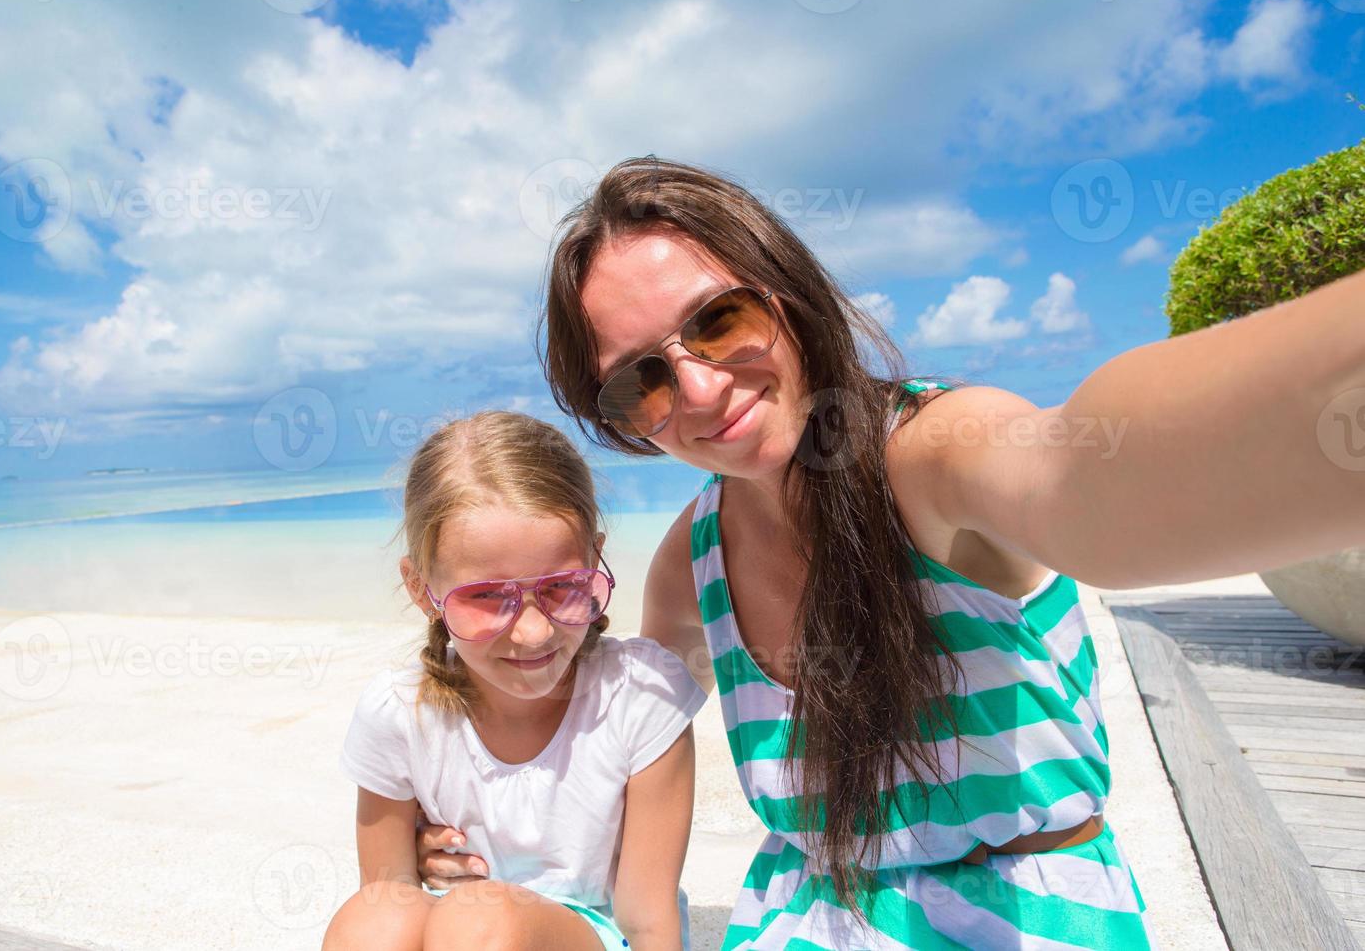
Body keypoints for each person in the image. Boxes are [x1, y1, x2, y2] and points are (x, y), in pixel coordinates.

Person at [416, 157, 1365, 948]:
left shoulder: (935, 456)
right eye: (642, 384)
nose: (701, 390)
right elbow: (595, 725)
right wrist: (466, 816)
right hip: (799, 921)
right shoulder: (693, 559)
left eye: (719, 321)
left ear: (786, 293)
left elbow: (1089, 487)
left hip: (1023, 916)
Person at [324, 410, 706, 951]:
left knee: (480, 920)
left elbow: (647, 919)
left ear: (595, 558)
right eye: (485, 596)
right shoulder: (397, 711)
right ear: (420, 588)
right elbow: (390, 891)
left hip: (595, 931)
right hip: (454, 921)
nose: (532, 633)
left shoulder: (640, 695)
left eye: (561, 587)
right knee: (371, 919)